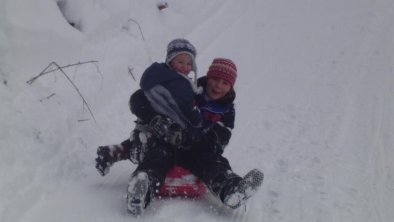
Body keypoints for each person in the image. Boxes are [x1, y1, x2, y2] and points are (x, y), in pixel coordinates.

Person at [96, 57, 264, 216]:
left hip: (198, 152)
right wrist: (158, 120)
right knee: (157, 155)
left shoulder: (226, 111)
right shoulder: (187, 90)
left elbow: (219, 141)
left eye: (225, 83)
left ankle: (232, 190)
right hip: (169, 145)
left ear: (231, 87)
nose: (218, 86)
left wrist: (191, 137)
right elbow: (140, 97)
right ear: (207, 76)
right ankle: (141, 191)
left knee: (214, 163)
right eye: (215, 79)